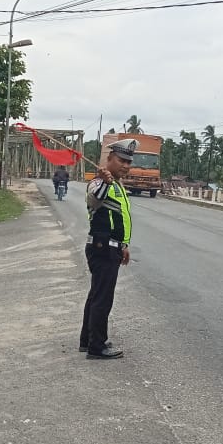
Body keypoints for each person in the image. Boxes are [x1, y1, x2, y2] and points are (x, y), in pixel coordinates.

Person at [80, 139, 135, 359]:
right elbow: (95, 199)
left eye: (129, 162)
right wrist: (104, 181)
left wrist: (124, 244)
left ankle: (87, 340)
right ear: (109, 159)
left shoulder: (118, 186)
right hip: (101, 249)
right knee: (103, 299)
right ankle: (97, 347)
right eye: (121, 160)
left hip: (112, 247)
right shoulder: (97, 183)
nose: (126, 165)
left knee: (96, 295)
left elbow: (120, 219)